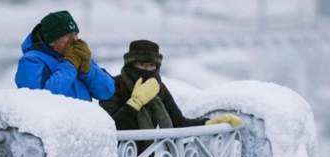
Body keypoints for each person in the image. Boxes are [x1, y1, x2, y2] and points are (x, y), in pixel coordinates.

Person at [99, 39, 243, 130]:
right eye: (142, 65)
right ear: (131, 65)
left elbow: (178, 123)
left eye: (151, 66)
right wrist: (135, 103)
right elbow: (109, 128)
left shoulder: (158, 89)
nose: (147, 70)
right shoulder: (115, 85)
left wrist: (209, 123)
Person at [15, 10, 115, 102]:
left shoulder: (76, 55)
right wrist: (70, 65)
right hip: (55, 121)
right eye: (69, 36)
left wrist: (88, 70)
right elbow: (44, 100)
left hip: (83, 120)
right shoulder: (31, 61)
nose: (75, 40)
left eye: (76, 34)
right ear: (52, 40)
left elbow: (106, 92)